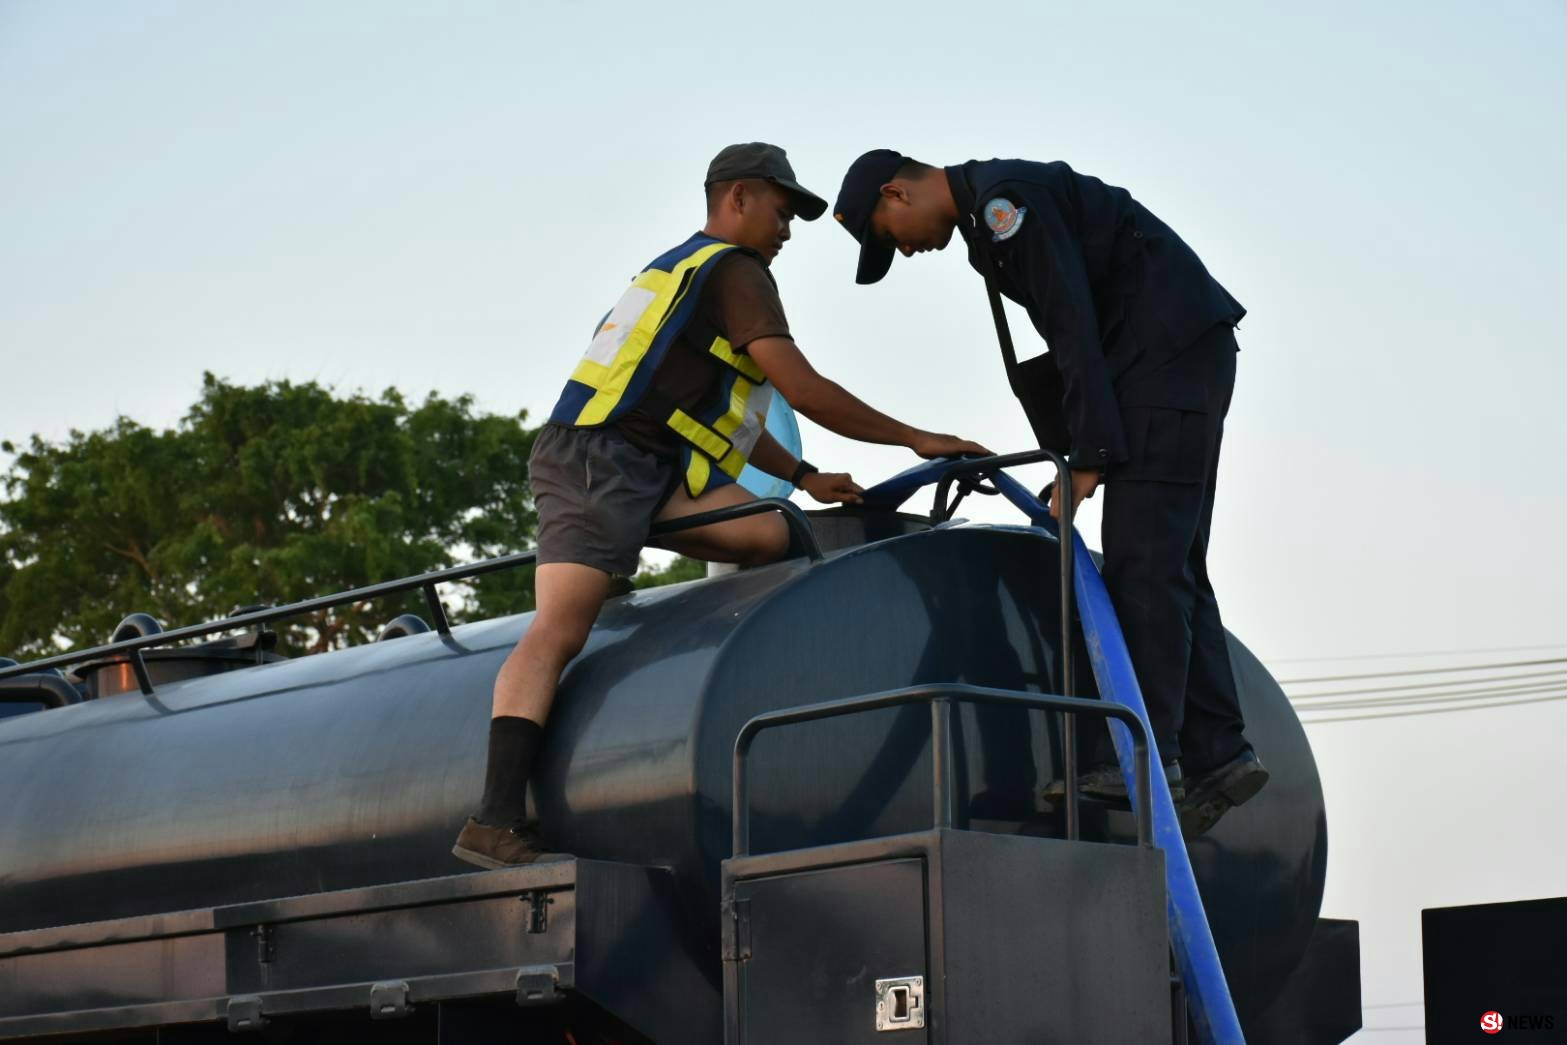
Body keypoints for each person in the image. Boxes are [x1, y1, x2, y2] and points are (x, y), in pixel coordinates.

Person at [453, 143, 988, 868]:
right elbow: (801, 388)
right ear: (736, 197)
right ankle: (492, 818)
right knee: (558, 629)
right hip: (597, 460)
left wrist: (803, 474)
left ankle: (691, 644)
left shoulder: (677, 269)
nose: (788, 230)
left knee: (772, 536)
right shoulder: (734, 272)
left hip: (650, 461)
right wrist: (913, 437)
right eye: (780, 209)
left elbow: (718, 419)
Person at [830, 149, 1267, 837]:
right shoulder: (989, 219)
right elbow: (1067, 333)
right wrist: (1073, 445)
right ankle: (1218, 750)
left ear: (896, 192)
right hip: (1168, 363)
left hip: (1164, 365)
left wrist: (1088, 455)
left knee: (1142, 564)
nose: (906, 252)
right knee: (1173, 561)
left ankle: (1138, 754)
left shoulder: (1007, 205)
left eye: (890, 236)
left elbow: (1070, 322)